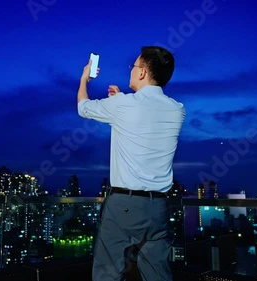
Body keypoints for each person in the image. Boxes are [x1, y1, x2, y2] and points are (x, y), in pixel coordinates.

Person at [77, 46, 185, 281]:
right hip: (158, 208)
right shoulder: (178, 110)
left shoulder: (124, 105)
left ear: (143, 72)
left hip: (124, 206)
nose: (131, 70)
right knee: (158, 275)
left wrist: (84, 79)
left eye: (133, 66)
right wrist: (120, 102)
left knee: (108, 274)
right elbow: (143, 124)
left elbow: (83, 108)